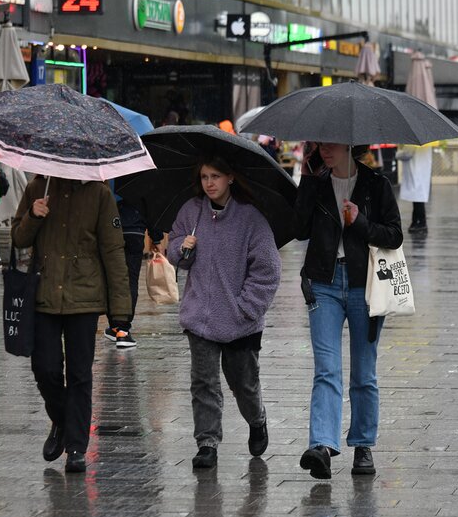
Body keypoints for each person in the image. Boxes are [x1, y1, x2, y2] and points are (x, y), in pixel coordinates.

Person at [294, 141, 402, 479]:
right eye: (319, 143)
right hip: (323, 283)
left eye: (332, 143)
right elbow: (298, 230)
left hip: (365, 285)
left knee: (363, 372)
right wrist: (307, 181)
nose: (324, 149)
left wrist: (359, 222)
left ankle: (363, 444)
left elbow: (395, 235)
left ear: (349, 145)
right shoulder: (316, 181)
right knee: (326, 369)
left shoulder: (376, 185)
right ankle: (322, 446)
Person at [11, 176, 132, 473]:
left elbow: (113, 251)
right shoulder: (38, 188)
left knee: (79, 373)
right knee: (46, 368)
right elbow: (18, 238)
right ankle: (62, 420)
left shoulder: (100, 195)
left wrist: (120, 312)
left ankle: (77, 446)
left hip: (85, 297)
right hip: (44, 293)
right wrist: (32, 216)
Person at [167, 156, 281, 470]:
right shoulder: (192, 211)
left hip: (240, 322)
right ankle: (207, 443)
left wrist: (246, 308)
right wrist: (182, 248)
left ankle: (256, 419)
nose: (209, 183)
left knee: (243, 383)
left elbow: (268, 272)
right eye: (204, 176)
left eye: (216, 175)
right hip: (200, 315)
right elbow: (175, 251)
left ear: (230, 177)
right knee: (203, 382)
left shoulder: (251, 219)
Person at [102, 186, 164, 349]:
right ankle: (123, 329)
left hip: (110, 232)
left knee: (112, 280)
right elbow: (150, 207)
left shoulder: (107, 175)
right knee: (130, 280)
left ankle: (115, 326)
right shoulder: (138, 177)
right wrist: (156, 237)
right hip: (134, 232)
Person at [397, 143, 432, 234]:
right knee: (419, 199)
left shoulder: (412, 142)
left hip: (415, 171)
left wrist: (397, 154)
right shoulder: (427, 142)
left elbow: (407, 154)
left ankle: (420, 223)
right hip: (422, 170)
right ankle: (417, 222)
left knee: (417, 199)